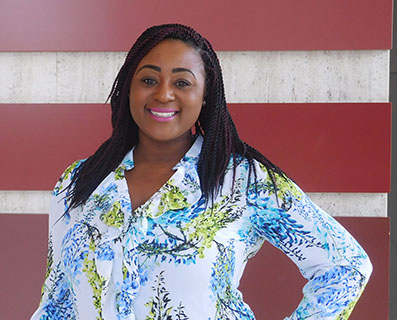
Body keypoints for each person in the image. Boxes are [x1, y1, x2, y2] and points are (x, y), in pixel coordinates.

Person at [29, 24, 372, 320]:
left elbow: (346, 267)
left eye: (182, 82)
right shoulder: (79, 181)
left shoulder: (244, 181)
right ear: (128, 89)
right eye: (149, 79)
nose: (163, 93)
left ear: (205, 95)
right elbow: (58, 301)